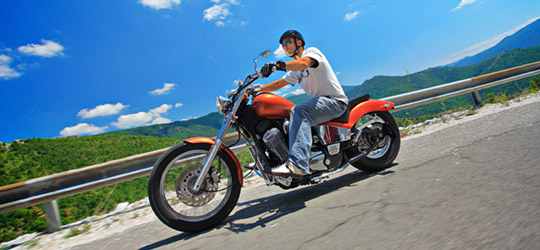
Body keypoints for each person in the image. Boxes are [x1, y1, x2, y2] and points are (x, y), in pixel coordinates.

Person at [258, 30, 348, 177]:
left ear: (298, 42)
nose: (285, 47)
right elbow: (278, 84)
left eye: (288, 42)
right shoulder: (296, 71)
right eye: (282, 45)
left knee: (299, 111)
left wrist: (278, 66)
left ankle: (298, 164)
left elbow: (303, 63)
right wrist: (255, 90)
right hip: (320, 104)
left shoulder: (311, 52)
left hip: (335, 101)